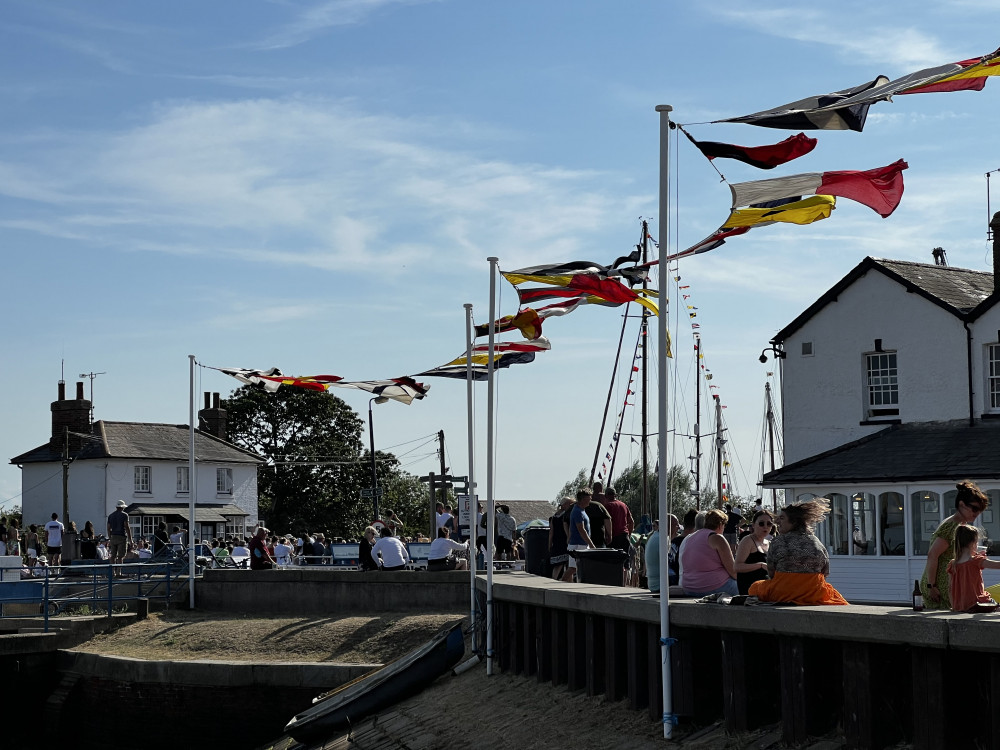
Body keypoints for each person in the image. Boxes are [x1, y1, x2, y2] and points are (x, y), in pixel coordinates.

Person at [749, 499, 848, 605]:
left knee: (755, 587)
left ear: (794, 521)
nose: (777, 522)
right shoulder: (816, 542)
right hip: (814, 593)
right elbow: (825, 572)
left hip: (783, 592)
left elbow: (771, 573)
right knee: (830, 591)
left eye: (782, 518)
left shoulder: (778, 541)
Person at [921, 481, 988, 610]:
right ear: (961, 505)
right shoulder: (952, 526)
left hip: (947, 584)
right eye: (974, 508)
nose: (977, 513)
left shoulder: (958, 524)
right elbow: (932, 555)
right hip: (939, 587)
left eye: (980, 509)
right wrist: (932, 586)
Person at [678, 509, 739, 597]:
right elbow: (733, 572)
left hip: (689, 588)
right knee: (747, 588)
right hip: (713, 587)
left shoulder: (690, 538)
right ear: (720, 524)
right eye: (724, 525)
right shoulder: (717, 538)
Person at [947, 525, 1000, 613]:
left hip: (960, 606)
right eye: (977, 542)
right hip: (978, 604)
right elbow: (997, 565)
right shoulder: (976, 561)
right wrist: (981, 559)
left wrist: (954, 606)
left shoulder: (952, 564)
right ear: (973, 543)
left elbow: (950, 588)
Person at [735, 510, 773, 595]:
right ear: (753, 525)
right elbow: (737, 566)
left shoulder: (769, 543)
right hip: (749, 590)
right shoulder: (748, 540)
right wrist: (760, 565)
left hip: (765, 588)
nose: (765, 527)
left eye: (769, 524)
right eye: (761, 523)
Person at [563, 488, 596, 582]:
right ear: (582, 500)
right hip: (578, 544)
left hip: (579, 543)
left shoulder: (581, 510)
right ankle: (562, 581)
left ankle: (567, 584)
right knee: (574, 568)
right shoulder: (578, 512)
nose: (590, 500)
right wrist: (591, 544)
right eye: (588, 499)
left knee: (576, 567)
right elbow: (581, 530)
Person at [548, 497, 574, 581]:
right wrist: (569, 538)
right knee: (568, 564)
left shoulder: (554, 517)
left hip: (556, 542)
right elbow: (566, 528)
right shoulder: (566, 515)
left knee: (558, 565)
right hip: (564, 541)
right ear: (565, 504)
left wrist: (549, 544)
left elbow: (551, 532)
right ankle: (568, 581)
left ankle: (555, 579)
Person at [604, 487, 635, 552]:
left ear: (606, 496)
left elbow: (605, 522)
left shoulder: (607, 506)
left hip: (613, 538)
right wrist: (629, 535)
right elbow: (631, 522)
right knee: (625, 560)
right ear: (615, 495)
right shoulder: (623, 505)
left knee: (613, 560)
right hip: (624, 536)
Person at [107, 500, 133, 572]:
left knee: (113, 556)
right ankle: (119, 572)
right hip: (121, 537)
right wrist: (130, 539)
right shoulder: (125, 515)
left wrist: (110, 537)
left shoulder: (111, 516)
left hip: (113, 536)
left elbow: (108, 528)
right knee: (120, 556)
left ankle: (112, 572)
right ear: (122, 507)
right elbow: (127, 527)